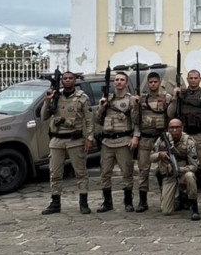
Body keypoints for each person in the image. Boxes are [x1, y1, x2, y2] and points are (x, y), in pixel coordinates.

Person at [39, 71, 94, 215]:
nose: (68, 80)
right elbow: (44, 116)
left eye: (70, 78)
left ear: (75, 80)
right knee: (55, 173)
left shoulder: (82, 98)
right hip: (57, 140)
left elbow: (89, 120)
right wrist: (47, 101)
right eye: (65, 78)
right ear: (61, 81)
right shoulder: (56, 97)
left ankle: (83, 202)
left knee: (80, 172)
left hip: (74, 140)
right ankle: (55, 202)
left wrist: (89, 138)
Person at [167, 69, 201, 210]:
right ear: (187, 79)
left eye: (196, 78)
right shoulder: (181, 94)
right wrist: (175, 97)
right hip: (185, 135)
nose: (193, 80)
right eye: (190, 78)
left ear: (200, 78)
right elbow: (170, 114)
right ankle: (184, 197)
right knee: (183, 165)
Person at [96, 71, 139, 212]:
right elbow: (97, 119)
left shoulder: (131, 100)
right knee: (105, 172)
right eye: (116, 80)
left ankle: (128, 201)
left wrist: (135, 137)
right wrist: (102, 107)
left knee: (127, 172)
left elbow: (137, 121)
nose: (119, 82)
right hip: (107, 141)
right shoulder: (106, 99)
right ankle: (107, 202)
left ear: (126, 83)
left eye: (122, 80)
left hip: (124, 140)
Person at [133, 71, 174, 213]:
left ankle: (167, 197)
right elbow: (135, 119)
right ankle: (142, 201)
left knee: (164, 168)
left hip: (161, 138)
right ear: (148, 83)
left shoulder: (166, 98)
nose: (153, 84)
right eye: (150, 82)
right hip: (145, 138)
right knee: (143, 170)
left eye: (155, 82)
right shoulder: (142, 99)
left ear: (159, 82)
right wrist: (135, 104)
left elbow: (172, 115)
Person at [151, 118, 200, 220]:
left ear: (182, 128)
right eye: (171, 128)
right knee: (166, 211)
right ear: (168, 129)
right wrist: (160, 154)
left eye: (177, 127)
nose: (174, 130)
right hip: (168, 176)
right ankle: (180, 199)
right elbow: (151, 157)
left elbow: (194, 166)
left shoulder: (189, 141)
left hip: (183, 174)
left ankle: (194, 208)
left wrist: (178, 169)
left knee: (190, 176)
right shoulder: (162, 139)